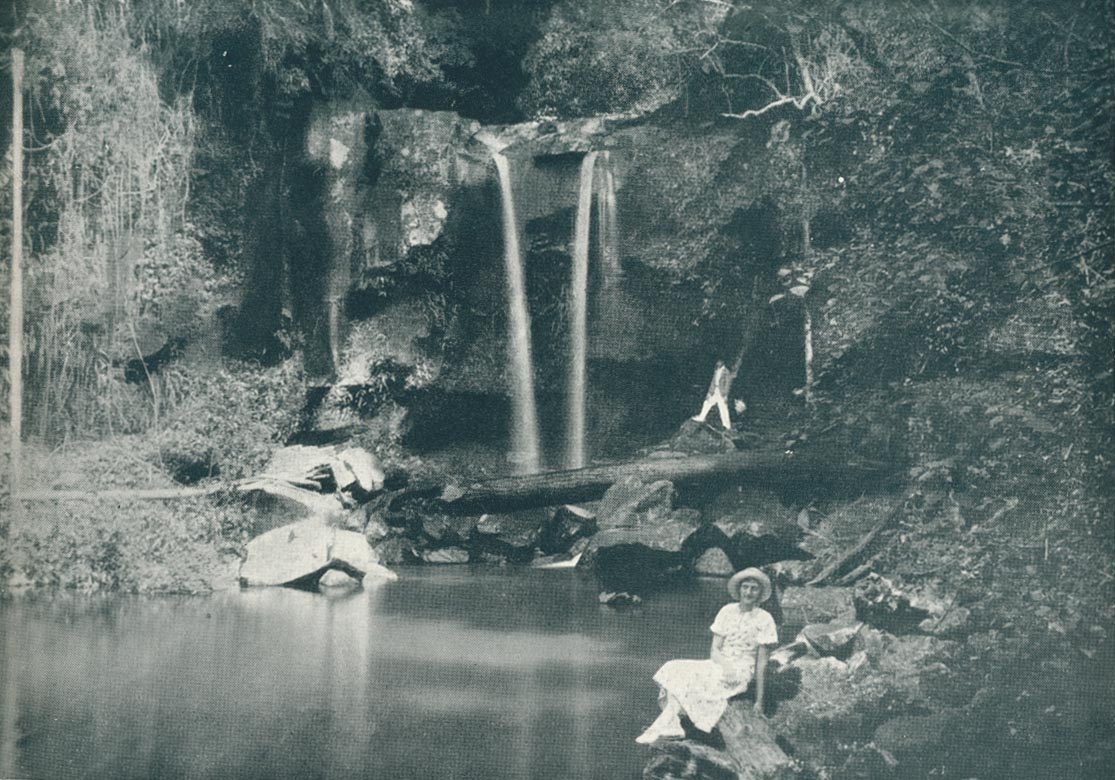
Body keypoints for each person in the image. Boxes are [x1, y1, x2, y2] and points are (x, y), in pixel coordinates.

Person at [635, 568, 779, 744]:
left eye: (754, 588)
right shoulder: (726, 611)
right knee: (673, 668)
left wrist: (759, 701)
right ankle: (673, 725)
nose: (748, 592)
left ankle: (671, 726)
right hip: (719, 662)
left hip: (741, 669)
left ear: (760, 593)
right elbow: (715, 650)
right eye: (745, 587)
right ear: (739, 589)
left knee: (702, 682)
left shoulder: (765, 619)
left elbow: (762, 663)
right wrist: (725, 665)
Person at [692, 360, 735, 430]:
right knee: (707, 403)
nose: (718, 363)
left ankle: (727, 425)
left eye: (719, 362)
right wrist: (709, 392)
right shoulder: (716, 370)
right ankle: (701, 417)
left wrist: (725, 395)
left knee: (723, 408)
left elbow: (727, 385)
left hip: (721, 392)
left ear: (722, 363)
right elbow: (713, 382)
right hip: (715, 391)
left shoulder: (726, 372)